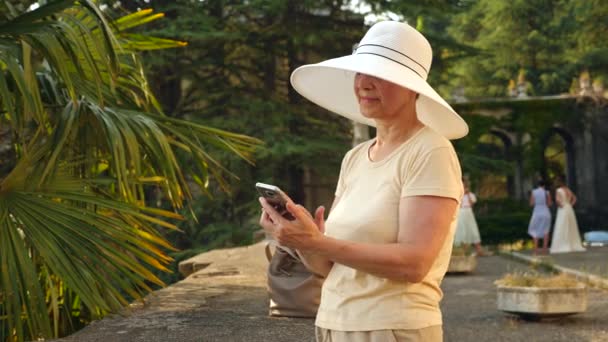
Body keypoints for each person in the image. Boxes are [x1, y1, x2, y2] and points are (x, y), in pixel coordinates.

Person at [258, 21, 468, 342]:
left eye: (381, 75)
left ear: (413, 88)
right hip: (334, 323)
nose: (365, 83)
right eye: (360, 73)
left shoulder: (430, 151)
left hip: (392, 329)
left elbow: (415, 264)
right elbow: (327, 266)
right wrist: (297, 239)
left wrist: (318, 242)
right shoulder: (355, 158)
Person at [550, 176, 586, 253]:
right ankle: (573, 244)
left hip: (563, 209)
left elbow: (557, 200)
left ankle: (562, 244)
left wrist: (561, 205)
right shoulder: (568, 190)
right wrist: (570, 204)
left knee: (562, 226)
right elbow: (575, 198)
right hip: (569, 208)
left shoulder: (558, 190)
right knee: (571, 226)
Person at [454, 179, 486, 256]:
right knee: (461, 229)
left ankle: (479, 249)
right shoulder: (458, 195)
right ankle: (462, 249)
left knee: (472, 228)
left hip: (468, 212)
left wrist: (467, 194)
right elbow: (458, 205)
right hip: (461, 212)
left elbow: (471, 204)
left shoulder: (471, 195)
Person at [527, 179, 553, 255]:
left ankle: (535, 250)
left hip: (537, 212)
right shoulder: (547, 192)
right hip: (546, 213)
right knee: (546, 231)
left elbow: (531, 203)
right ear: (544, 185)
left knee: (534, 230)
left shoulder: (534, 192)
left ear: (538, 185)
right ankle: (544, 250)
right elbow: (549, 204)